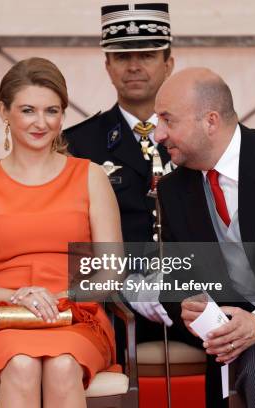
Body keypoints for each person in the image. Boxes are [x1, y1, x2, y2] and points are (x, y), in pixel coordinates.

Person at [0, 57, 122, 407]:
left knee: (62, 366)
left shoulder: (91, 177)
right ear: (4, 111)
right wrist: (19, 297)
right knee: (21, 365)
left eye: (52, 111)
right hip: (1, 319)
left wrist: (58, 297)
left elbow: (110, 272)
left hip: (77, 315)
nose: (41, 123)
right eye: (28, 110)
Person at [154, 67, 255, 407]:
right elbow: (175, 279)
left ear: (210, 121)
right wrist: (189, 306)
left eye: (168, 121)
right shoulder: (172, 189)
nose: (158, 133)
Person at [63, 2, 176, 358]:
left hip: (189, 289)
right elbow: (73, 234)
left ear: (169, 62)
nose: (134, 66)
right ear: (108, 66)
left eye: (147, 54)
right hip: (111, 299)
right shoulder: (79, 144)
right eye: (122, 56)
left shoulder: (197, 135)